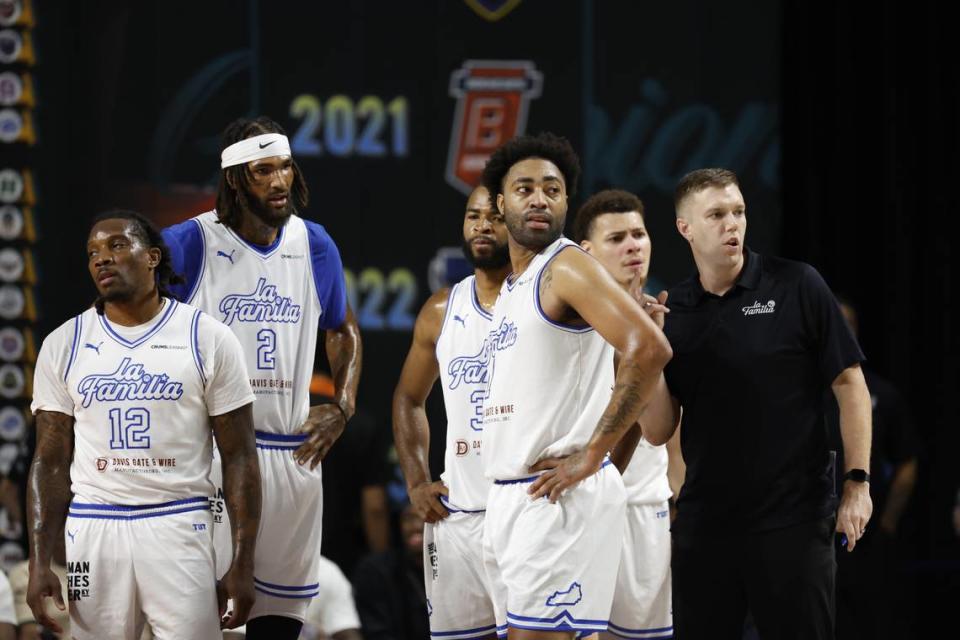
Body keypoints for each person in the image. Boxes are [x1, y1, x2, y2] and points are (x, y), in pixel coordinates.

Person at [641, 168, 873, 640]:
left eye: (739, 212)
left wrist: (857, 482)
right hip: (707, 526)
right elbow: (657, 430)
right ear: (685, 227)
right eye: (717, 214)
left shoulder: (797, 285)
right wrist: (648, 354)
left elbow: (851, 386)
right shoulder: (674, 310)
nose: (733, 224)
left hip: (794, 521)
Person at [162, 117, 362, 638]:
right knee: (211, 621)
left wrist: (343, 404)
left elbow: (342, 329)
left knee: (280, 625)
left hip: (292, 454)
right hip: (214, 457)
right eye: (263, 170)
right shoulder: (187, 244)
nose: (280, 182)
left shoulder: (314, 244)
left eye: (286, 167)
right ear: (234, 178)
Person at [27, 211, 260, 639]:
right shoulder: (63, 343)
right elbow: (50, 459)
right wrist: (40, 559)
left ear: (153, 257)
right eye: (93, 252)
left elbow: (240, 454)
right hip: (94, 526)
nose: (102, 259)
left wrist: (243, 563)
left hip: (178, 521)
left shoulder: (206, 337)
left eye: (117, 245)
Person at [477, 133, 672, 638]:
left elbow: (649, 350)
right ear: (501, 204)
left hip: (554, 503)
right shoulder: (516, 285)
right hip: (511, 498)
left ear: (566, 202)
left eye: (552, 189)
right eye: (524, 189)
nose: (539, 198)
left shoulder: (565, 266)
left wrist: (593, 456)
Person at [392, 185, 510, 640]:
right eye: (472, 215)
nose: (482, 225)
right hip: (457, 516)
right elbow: (408, 398)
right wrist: (416, 480)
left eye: (494, 216)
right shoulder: (442, 309)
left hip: (523, 508)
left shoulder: (546, 302)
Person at [573, 189, 677, 640]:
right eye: (617, 238)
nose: (633, 245)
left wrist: (652, 347)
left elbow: (663, 433)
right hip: (576, 505)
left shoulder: (669, 320)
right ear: (587, 253)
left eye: (639, 234)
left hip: (643, 508)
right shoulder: (563, 323)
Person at [832, 296, 919, 640]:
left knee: (870, 619)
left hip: (866, 535)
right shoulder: (803, 391)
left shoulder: (880, 393)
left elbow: (908, 461)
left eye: (848, 325)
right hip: (811, 529)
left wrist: (887, 521)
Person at [352, 504, 430, 640]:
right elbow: (376, 631)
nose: (415, 526)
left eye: (424, 518)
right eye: (408, 518)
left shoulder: (456, 568)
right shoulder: (375, 571)